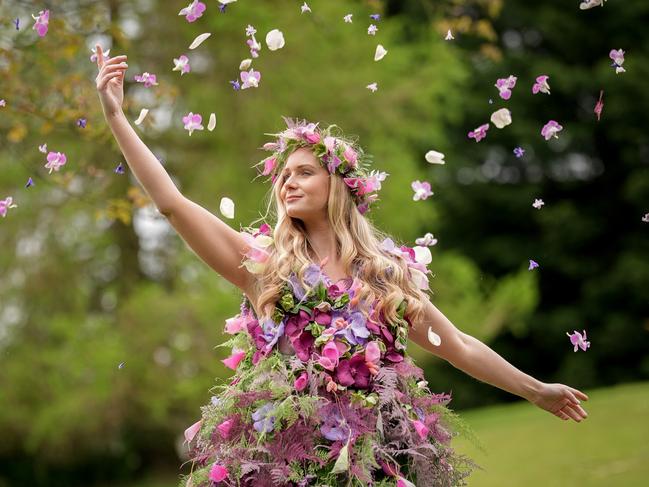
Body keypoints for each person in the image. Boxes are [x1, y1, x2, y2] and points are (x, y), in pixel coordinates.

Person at [95, 45, 589, 487]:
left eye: (304, 172)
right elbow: (172, 205)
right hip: (287, 460)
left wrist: (536, 389)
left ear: (341, 187)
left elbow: (456, 344)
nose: (288, 182)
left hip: (376, 460)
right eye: (283, 175)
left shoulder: (387, 275)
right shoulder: (264, 266)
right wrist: (117, 116)